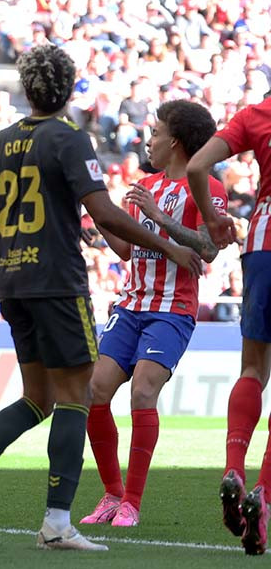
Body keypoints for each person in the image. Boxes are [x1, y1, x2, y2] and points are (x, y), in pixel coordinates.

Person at [0, 44, 202, 551]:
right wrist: (165, 242)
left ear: (28, 88)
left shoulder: (1, 140)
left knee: (39, 398)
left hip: (11, 281)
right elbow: (106, 213)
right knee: (76, 397)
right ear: (68, 88)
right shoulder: (70, 138)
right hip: (57, 282)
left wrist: (43, 212)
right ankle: (57, 521)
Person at [81, 100, 226, 528]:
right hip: (130, 305)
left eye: (157, 132)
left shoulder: (208, 189)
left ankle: (132, 501)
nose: (149, 139)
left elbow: (208, 249)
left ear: (176, 143)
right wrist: (98, 217)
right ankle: (110, 494)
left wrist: (156, 215)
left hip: (172, 310)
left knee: (143, 392)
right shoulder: (147, 186)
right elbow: (127, 249)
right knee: (94, 391)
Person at [187, 93, 271, 555]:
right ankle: (265, 495)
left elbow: (198, 167)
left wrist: (216, 220)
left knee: (253, 370)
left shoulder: (256, 114)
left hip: (262, 243)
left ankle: (233, 467)